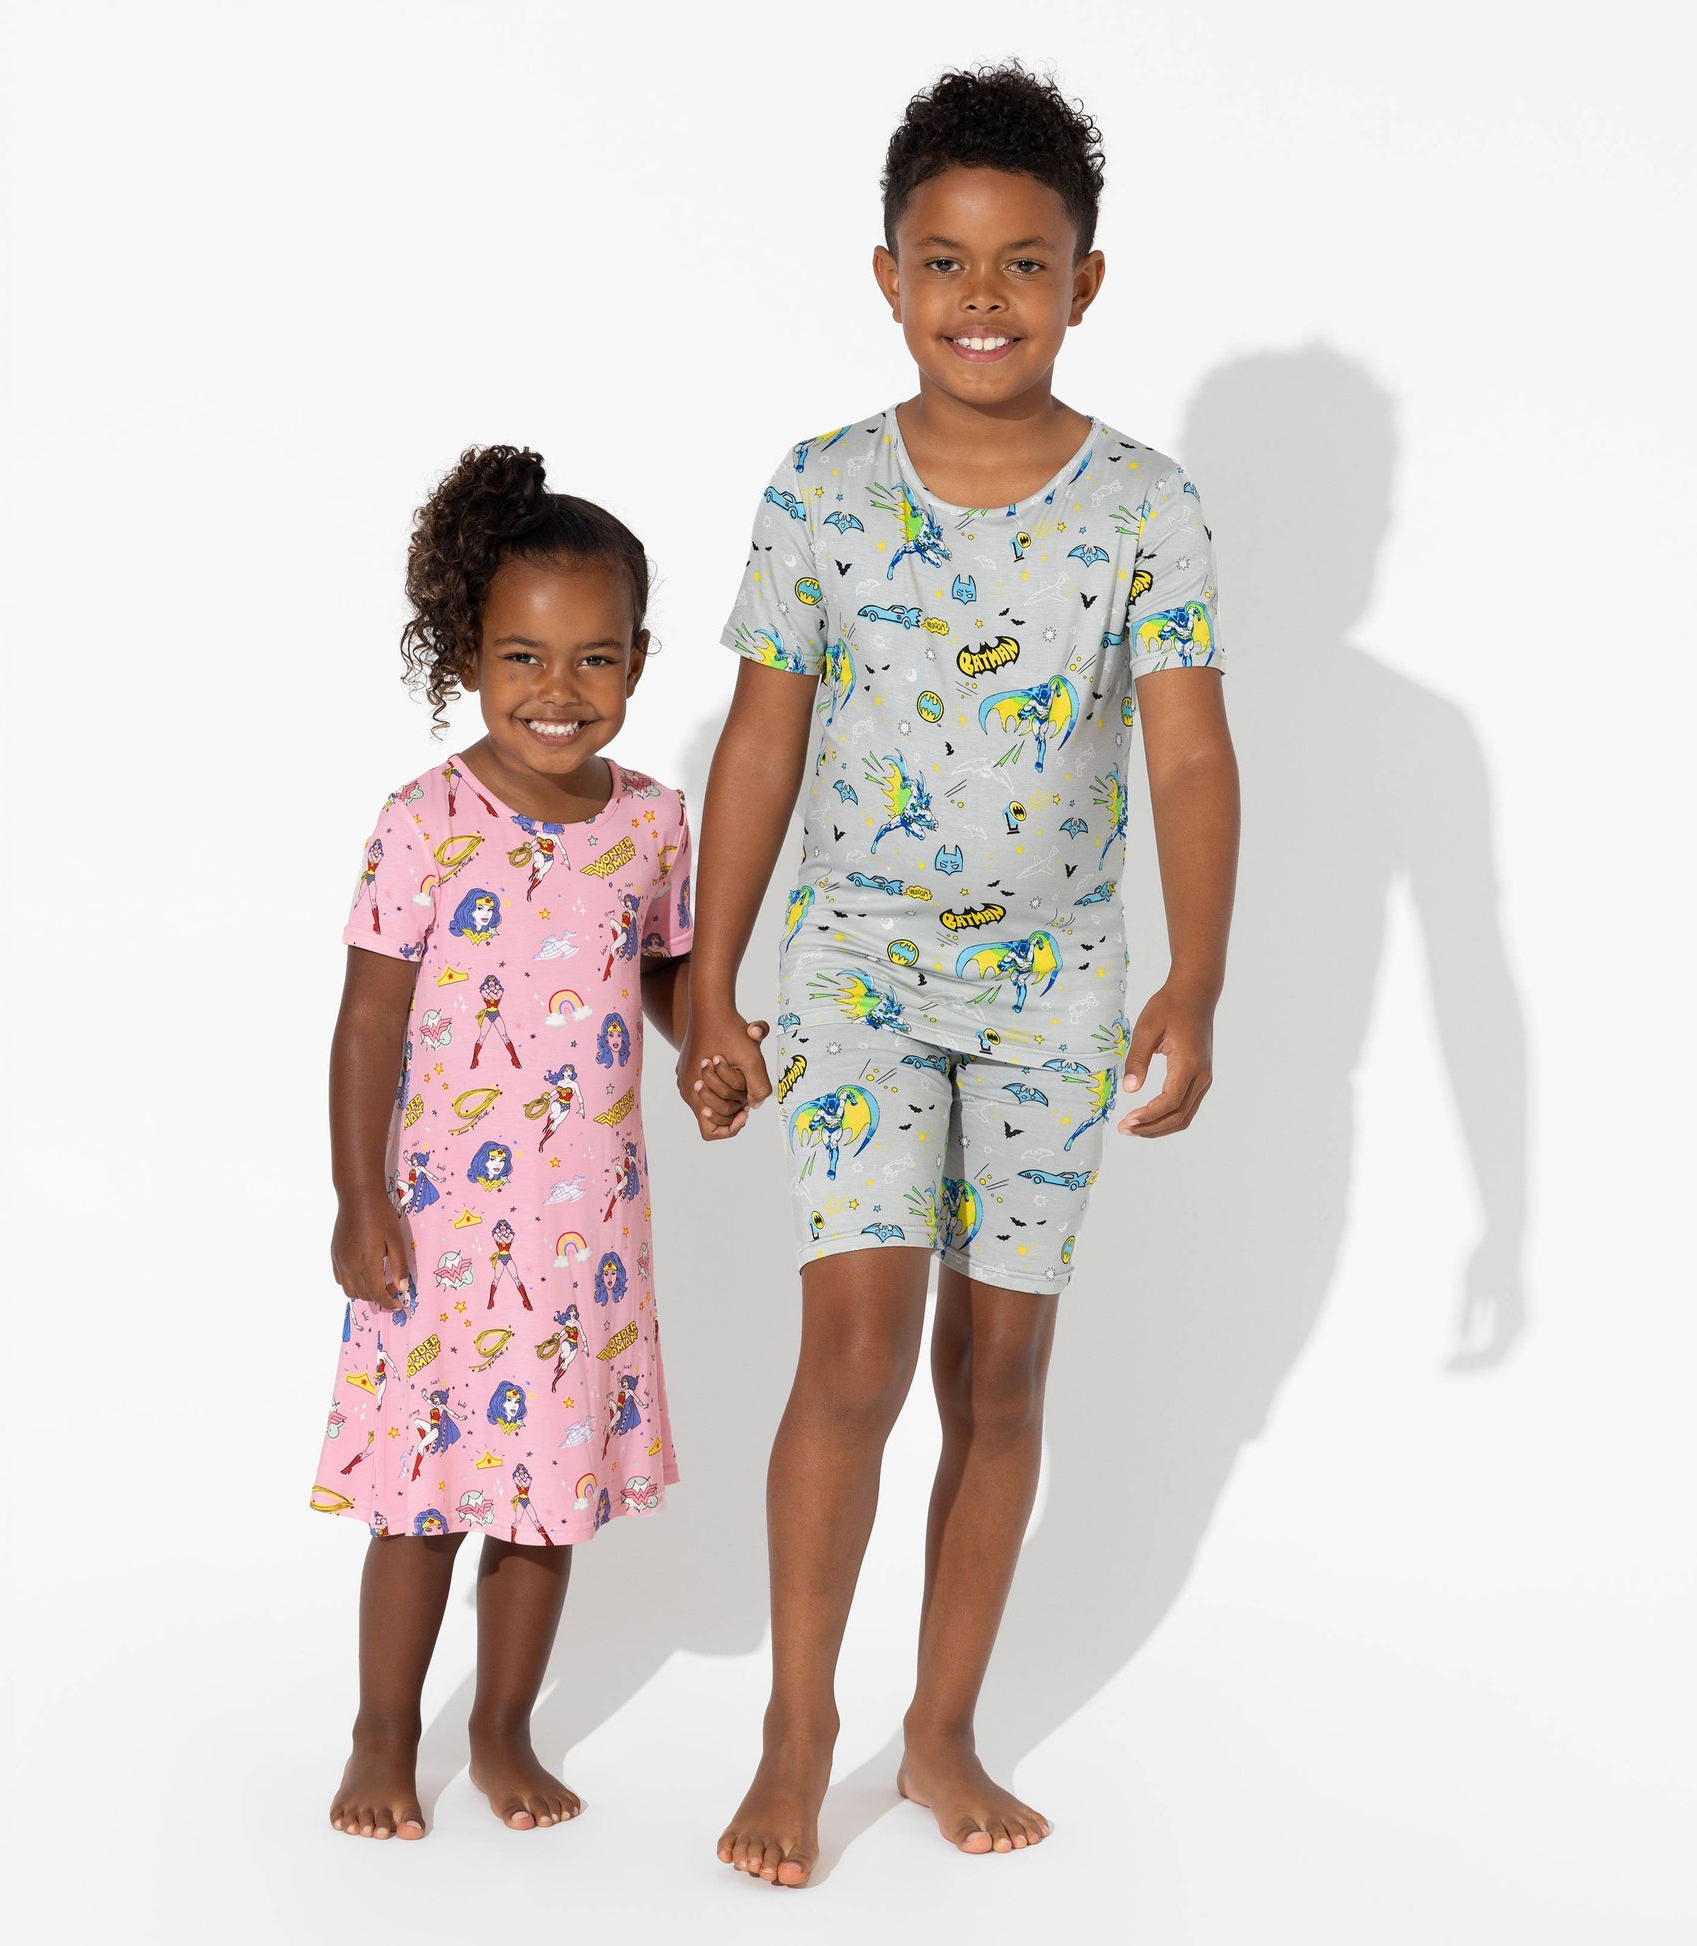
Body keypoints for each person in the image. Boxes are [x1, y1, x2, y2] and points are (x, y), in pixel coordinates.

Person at [681, 61, 1242, 1886]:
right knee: (850, 1351)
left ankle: (939, 1728)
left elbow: (1185, 754)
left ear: (1086, 281)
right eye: (943, 260)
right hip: (853, 969)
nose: (980, 296)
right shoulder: (820, 491)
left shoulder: (1143, 504)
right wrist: (712, 976)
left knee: (997, 1375)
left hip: (1054, 992)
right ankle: (797, 1729)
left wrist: (1194, 976)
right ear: (886, 276)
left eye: (1022, 262)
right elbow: (760, 740)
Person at [316, 445, 741, 1840]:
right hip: (438, 1234)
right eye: (522, 657)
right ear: (467, 656)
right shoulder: (423, 823)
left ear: (637, 663)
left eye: (594, 658)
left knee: (546, 1501)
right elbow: (366, 1026)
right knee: (422, 1501)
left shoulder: (650, 825)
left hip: (584, 1236)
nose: (559, 690)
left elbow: (663, 973)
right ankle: (384, 1731)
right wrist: (358, 1199)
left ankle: (502, 1728)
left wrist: (713, 1048)